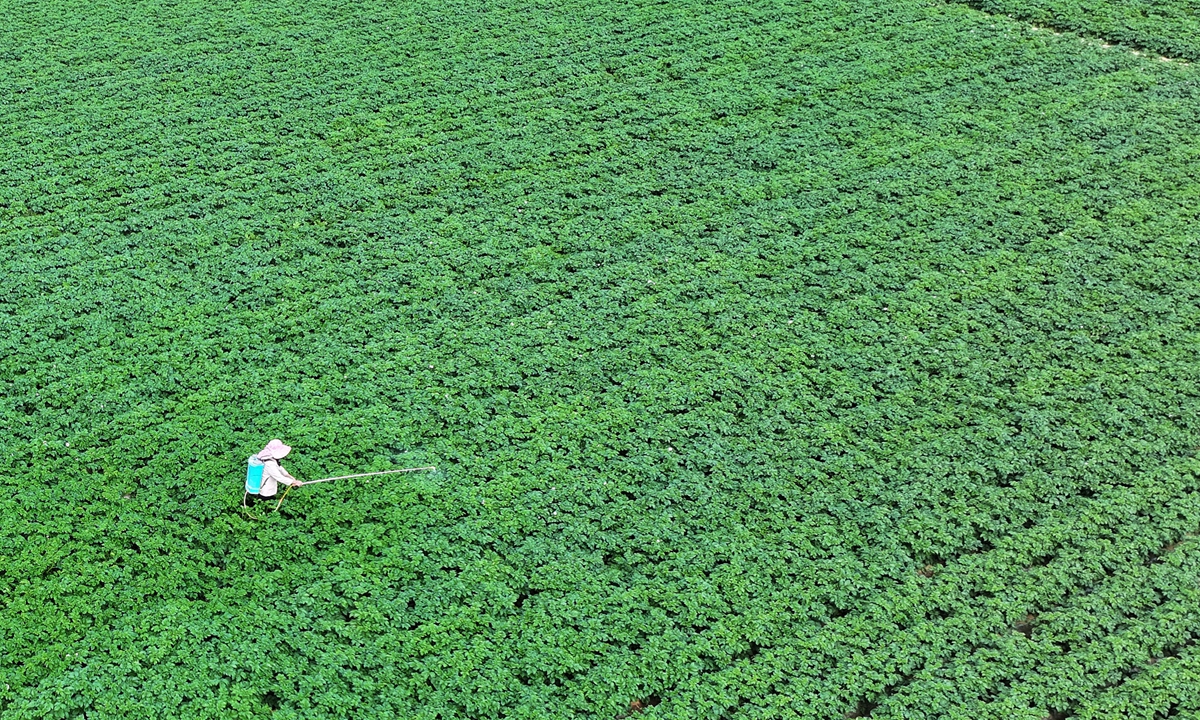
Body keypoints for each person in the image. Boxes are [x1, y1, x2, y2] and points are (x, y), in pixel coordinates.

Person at [245, 439, 303, 507]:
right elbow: (279, 477)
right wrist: (293, 482)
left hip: (269, 488)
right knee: (265, 504)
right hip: (266, 490)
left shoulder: (269, 457)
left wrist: (290, 476)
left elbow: (279, 467)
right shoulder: (270, 464)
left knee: (268, 502)